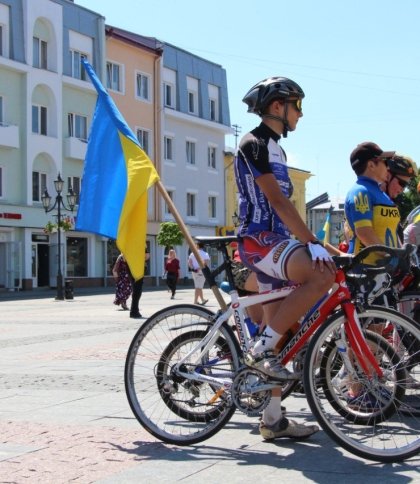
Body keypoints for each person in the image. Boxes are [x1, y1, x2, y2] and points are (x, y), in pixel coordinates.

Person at [235, 77, 335, 440]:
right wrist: (312, 242)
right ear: (278, 107)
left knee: (279, 336)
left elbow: (286, 206)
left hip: (275, 241)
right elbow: (277, 202)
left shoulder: (277, 148)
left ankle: (273, 419)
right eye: (298, 106)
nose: (301, 115)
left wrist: (319, 243)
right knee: (322, 275)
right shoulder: (254, 143)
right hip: (258, 240)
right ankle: (260, 348)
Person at [130, 250, 150, 319]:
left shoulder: (127, 241)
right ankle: (134, 311)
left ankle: (134, 310)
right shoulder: (141, 242)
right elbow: (147, 256)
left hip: (128, 264)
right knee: (137, 289)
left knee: (134, 288)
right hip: (138, 265)